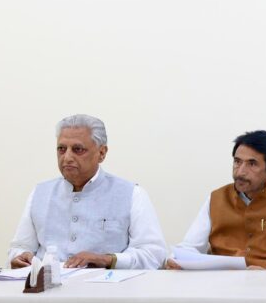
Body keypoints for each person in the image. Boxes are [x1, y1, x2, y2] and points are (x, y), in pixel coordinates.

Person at [8, 114, 165, 270]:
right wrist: (21, 256)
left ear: (101, 153)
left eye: (78, 149)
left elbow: (153, 254)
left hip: (105, 285)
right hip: (48, 284)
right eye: (61, 149)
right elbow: (20, 247)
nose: (67, 157)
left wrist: (107, 259)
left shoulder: (132, 194)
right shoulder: (40, 193)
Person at [167, 130, 266, 270]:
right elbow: (190, 246)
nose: (240, 172)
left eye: (252, 164)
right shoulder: (217, 198)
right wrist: (176, 259)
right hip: (220, 281)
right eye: (237, 162)